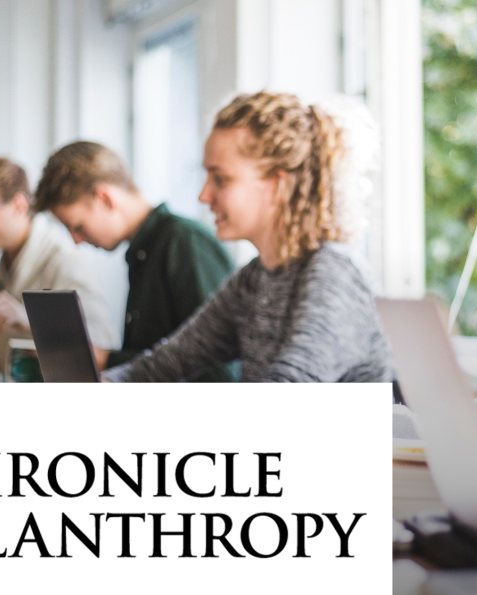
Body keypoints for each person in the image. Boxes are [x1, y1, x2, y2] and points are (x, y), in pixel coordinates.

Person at [100, 91, 391, 383]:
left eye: (220, 179)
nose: (204, 195)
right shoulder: (254, 279)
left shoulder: (335, 272)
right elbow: (164, 365)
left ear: (277, 185)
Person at [32, 141, 237, 382]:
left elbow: (219, 372)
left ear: (105, 199)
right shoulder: (142, 253)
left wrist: (104, 359)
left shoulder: (184, 242)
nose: (76, 241)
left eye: (78, 226)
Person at [0, 157, 118, 372]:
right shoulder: (6, 262)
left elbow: (103, 347)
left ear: (19, 205)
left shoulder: (65, 260)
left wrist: (29, 319)